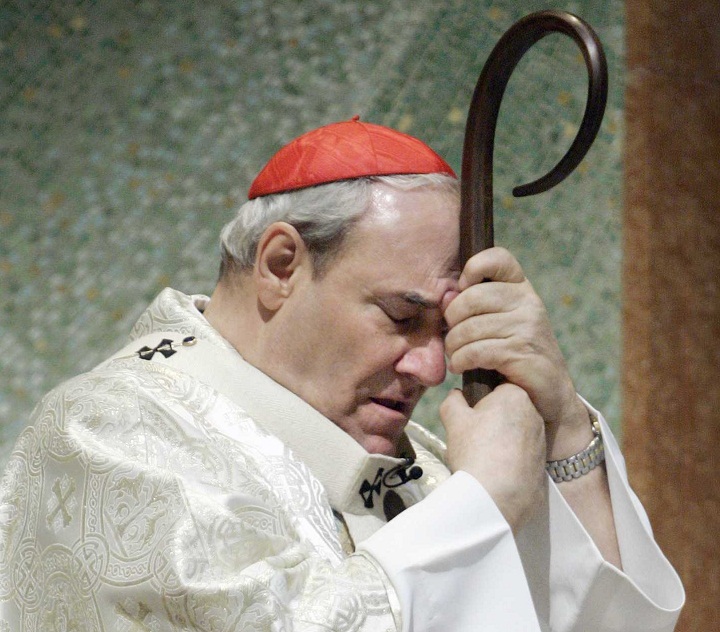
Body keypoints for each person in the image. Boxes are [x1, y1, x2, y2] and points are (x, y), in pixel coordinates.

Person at [0, 118, 683, 631]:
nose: (433, 366)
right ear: (280, 266)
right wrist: (481, 506)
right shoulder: (111, 435)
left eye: (445, 330)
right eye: (401, 315)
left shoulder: (425, 473)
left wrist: (562, 423)